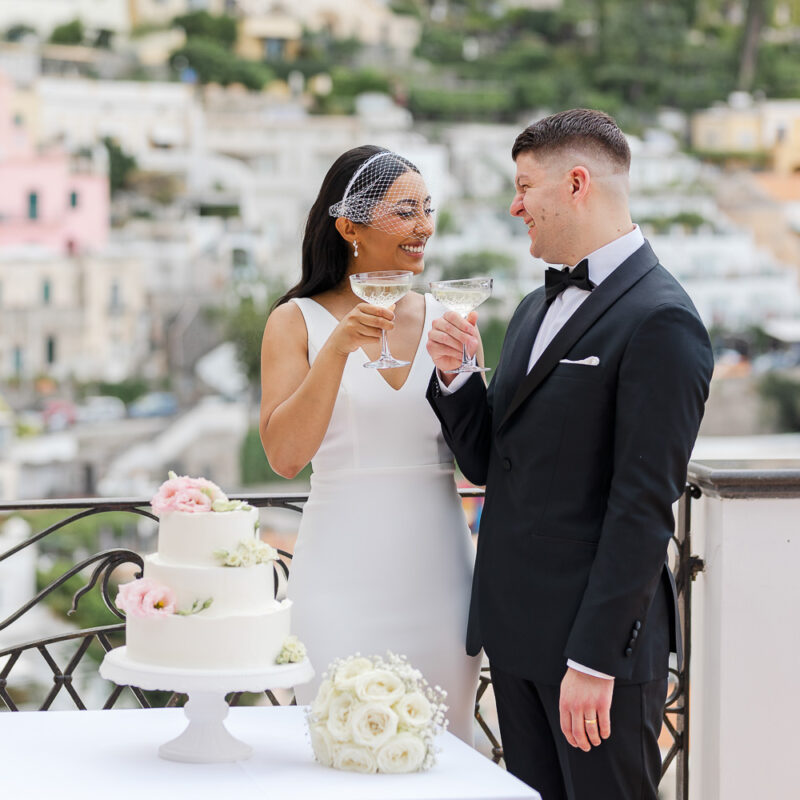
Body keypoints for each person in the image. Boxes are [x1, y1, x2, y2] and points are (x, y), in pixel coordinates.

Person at [425, 109, 714, 797]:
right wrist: (457, 377)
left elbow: (642, 505)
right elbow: (491, 465)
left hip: (592, 654)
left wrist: (593, 659)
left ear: (577, 183)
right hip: (515, 637)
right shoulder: (530, 308)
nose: (515, 204)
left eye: (526, 186)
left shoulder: (662, 320)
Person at [259, 145, 482, 743]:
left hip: (439, 571)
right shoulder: (294, 321)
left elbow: (479, 453)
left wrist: (467, 373)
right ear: (349, 225)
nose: (424, 227)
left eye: (427, 209)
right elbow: (284, 457)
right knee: (338, 742)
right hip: (338, 574)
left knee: (443, 742)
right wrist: (335, 350)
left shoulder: (448, 318)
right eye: (405, 211)